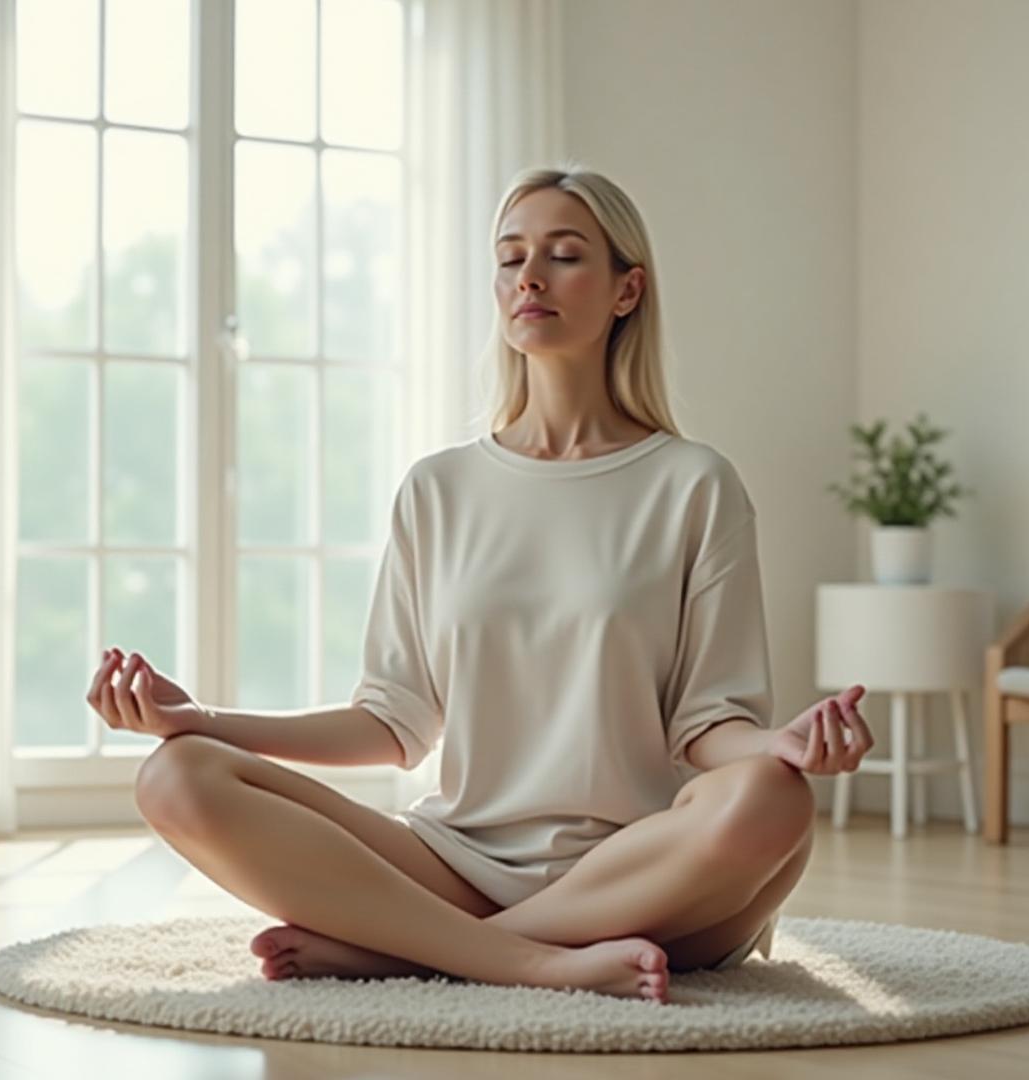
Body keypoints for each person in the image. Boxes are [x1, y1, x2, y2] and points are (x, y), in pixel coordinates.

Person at [86, 164, 873, 1005]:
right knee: (177, 775)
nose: (529, 276)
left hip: (646, 871)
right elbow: (392, 722)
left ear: (625, 291)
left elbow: (709, 725)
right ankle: (522, 959)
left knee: (774, 801)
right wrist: (198, 720)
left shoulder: (693, 483)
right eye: (510, 258)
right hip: (454, 862)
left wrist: (781, 745)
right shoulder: (439, 489)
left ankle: (411, 955)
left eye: (565, 255)